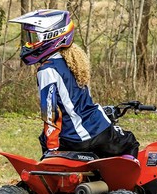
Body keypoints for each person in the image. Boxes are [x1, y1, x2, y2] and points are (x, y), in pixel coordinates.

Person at [9, 9, 139, 158]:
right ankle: (123, 180)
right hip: (95, 132)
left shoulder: (47, 69)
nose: (29, 44)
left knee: (44, 139)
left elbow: (50, 113)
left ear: (50, 36)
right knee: (131, 142)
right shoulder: (75, 62)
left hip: (71, 138)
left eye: (33, 38)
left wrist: (51, 151)